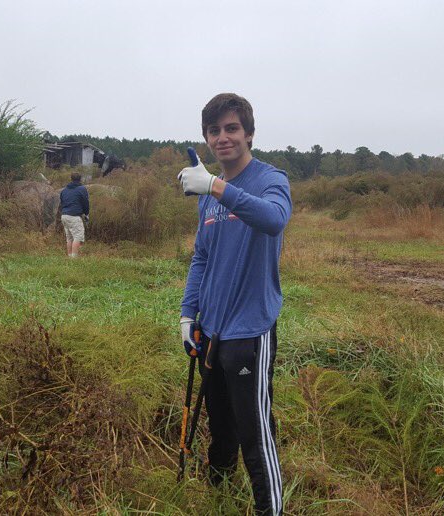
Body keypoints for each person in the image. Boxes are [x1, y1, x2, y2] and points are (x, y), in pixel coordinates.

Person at [177, 93, 292, 515]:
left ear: (249, 134)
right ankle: (220, 497)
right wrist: (188, 313)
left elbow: (274, 219)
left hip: (250, 330)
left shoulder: (270, 180)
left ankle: (269, 509)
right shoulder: (207, 195)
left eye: (232, 128)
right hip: (212, 330)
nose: (223, 137)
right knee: (221, 427)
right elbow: (202, 256)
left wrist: (215, 186)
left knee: (254, 432)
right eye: (214, 130)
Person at [59, 172, 90, 258]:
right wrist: (86, 213)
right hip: (74, 216)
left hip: (64, 216)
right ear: (80, 179)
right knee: (78, 237)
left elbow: (62, 203)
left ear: (71, 179)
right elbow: (86, 202)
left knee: (69, 238)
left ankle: (70, 257)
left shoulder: (64, 190)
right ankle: (74, 259)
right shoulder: (82, 189)